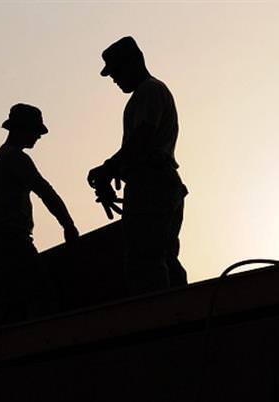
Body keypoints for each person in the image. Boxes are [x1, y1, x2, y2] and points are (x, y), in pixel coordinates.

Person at [87, 36, 188, 295]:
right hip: (157, 184)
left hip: (153, 186)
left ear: (134, 62)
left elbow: (142, 139)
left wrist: (109, 168)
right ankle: (183, 312)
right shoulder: (144, 95)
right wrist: (115, 173)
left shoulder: (149, 91)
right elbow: (138, 150)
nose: (114, 79)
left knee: (146, 261)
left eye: (116, 72)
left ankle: (162, 319)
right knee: (163, 257)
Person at [0, 103, 79, 321]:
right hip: (12, 242)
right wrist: (68, 225)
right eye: (35, 131)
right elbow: (46, 192)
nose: (38, 136)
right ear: (22, 129)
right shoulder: (15, 158)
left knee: (14, 306)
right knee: (43, 296)